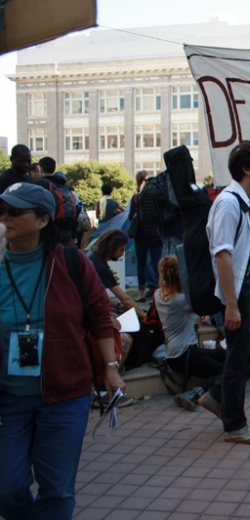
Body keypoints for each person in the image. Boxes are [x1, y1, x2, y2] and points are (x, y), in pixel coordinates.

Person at [0, 183, 125, 520]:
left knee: (56, 489)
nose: (5, 217)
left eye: (14, 211)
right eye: (2, 210)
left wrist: (111, 368)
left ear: (42, 220)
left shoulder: (71, 261)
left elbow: (100, 315)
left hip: (65, 395)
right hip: (9, 398)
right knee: (7, 487)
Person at [201, 142, 250, 444]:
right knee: (239, 355)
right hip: (238, 291)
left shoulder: (244, 201)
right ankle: (235, 425)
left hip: (249, 287)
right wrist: (230, 305)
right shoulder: (229, 202)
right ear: (246, 169)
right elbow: (222, 255)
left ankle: (218, 395)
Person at [155, 255, 226, 412]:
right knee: (224, 372)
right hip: (184, 354)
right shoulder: (181, 301)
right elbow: (206, 303)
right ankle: (192, 394)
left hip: (176, 353)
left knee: (225, 355)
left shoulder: (158, 294)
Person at [89, 230, 163, 371]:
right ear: (112, 247)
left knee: (133, 316)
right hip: (93, 315)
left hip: (96, 310)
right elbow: (126, 299)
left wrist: (121, 306)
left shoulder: (94, 260)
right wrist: (146, 317)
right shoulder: (99, 265)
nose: (122, 254)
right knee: (138, 327)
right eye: (121, 250)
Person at [129, 171, 163, 302]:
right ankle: (159, 291)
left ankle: (142, 294)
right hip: (157, 234)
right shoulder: (158, 195)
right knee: (157, 263)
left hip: (141, 236)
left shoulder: (136, 198)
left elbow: (130, 216)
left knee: (141, 264)